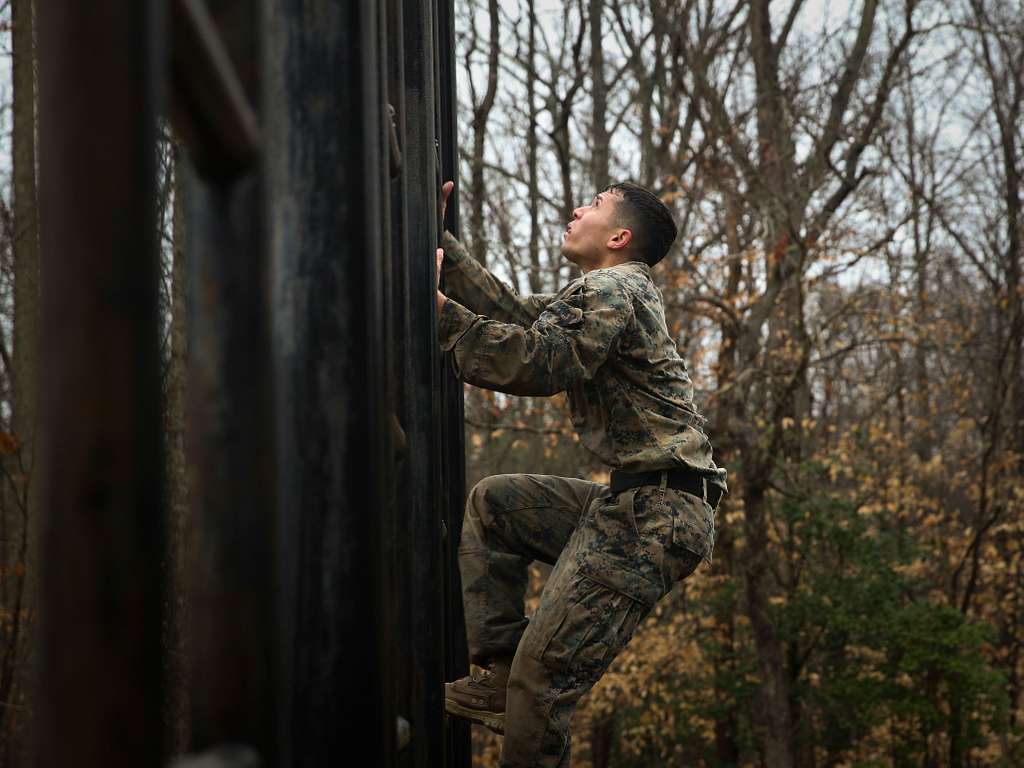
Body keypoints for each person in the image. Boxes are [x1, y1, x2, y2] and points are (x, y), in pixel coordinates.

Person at [435, 179, 727, 768]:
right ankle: (496, 672)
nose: (576, 209)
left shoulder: (616, 287)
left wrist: (440, 318)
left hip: (656, 514)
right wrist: (433, 242)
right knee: (496, 505)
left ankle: (512, 683)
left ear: (619, 237)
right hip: (636, 503)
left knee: (540, 686)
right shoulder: (605, 293)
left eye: (593, 205)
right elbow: (519, 316)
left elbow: (542, 361)